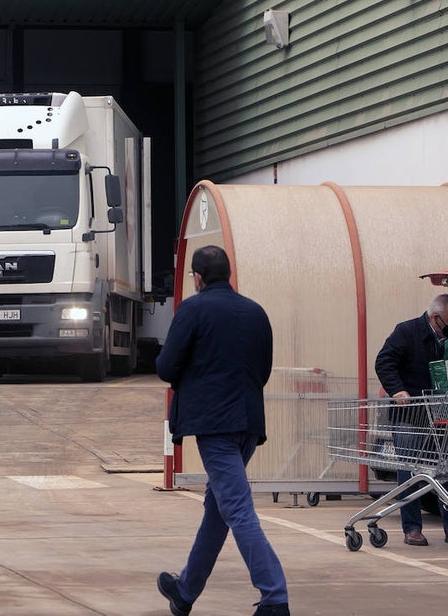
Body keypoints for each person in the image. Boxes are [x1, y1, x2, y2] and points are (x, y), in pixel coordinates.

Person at [155, 245, 290, 616]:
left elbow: (166, 367)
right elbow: (263, 370)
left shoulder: (193, 309)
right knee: (218, 508)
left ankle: (274, 597)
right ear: (227, 273)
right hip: (249, 423)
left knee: (238, 509)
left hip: (215, 427)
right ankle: (185, 591)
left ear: (198, 277)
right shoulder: (255, 311)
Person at [374, 293, 448, 547]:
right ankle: (412, 528)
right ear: (435, 317)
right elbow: (384, 362)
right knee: (410, 471)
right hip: (411, 414)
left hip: (441, 415)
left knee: (447, 470)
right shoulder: (407, 332)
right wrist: (397, 390)